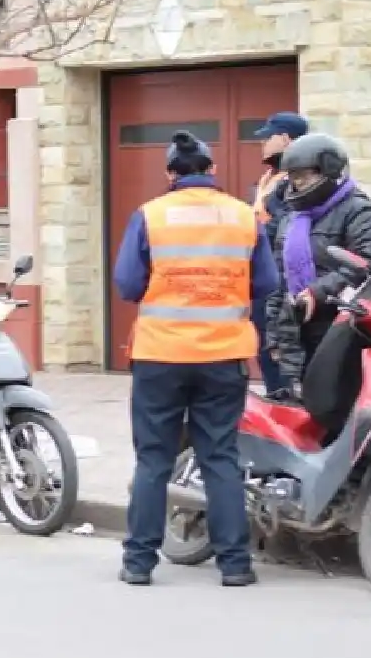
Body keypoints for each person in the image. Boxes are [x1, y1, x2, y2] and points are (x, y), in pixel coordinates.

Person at [113, 131, 279, 587]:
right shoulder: (245, 218)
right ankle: (235, 565)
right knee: (220, 458)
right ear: (213, 171)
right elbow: (266, 283)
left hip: (161, 354)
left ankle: (139, 562)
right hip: (224, 354)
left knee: (153, 460)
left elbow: (127, 284)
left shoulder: (150, 216)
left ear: (170, 174)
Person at [264, 133, 371, 388]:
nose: (297, 183)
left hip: (340, 322)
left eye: (304, 175)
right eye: (293, 176)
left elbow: (369, 255)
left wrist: (318, 292)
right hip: (296, 329)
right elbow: (279, 278)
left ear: (329, 171)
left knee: (337, 399)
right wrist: (275, 334)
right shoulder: (291, 218)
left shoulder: (358, 210)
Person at [250, 112, 309, 397]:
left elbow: (286, 222)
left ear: (286, 139)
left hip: (281, 275)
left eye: (268, 137)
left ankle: (287, 403)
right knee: (265, 346)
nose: (262, 144)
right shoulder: (271, 178)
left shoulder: (296, 180)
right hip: (264, 270)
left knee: (277, 347)